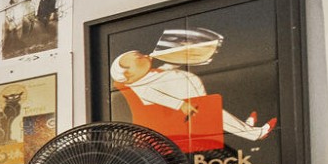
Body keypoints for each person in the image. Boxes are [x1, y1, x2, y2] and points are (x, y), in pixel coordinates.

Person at [111, 50, 275, 141]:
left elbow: (167, 68)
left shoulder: (149, 75)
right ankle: (254, 134)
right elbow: (158, 98)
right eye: (139, 58)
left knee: (217, 114)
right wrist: (180, 105)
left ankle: (245, 128)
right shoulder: (142, 87)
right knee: (216, 114)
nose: (145, 56)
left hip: (193, 98)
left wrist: (184, 57)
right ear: (129, 73)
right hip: (185, 110)